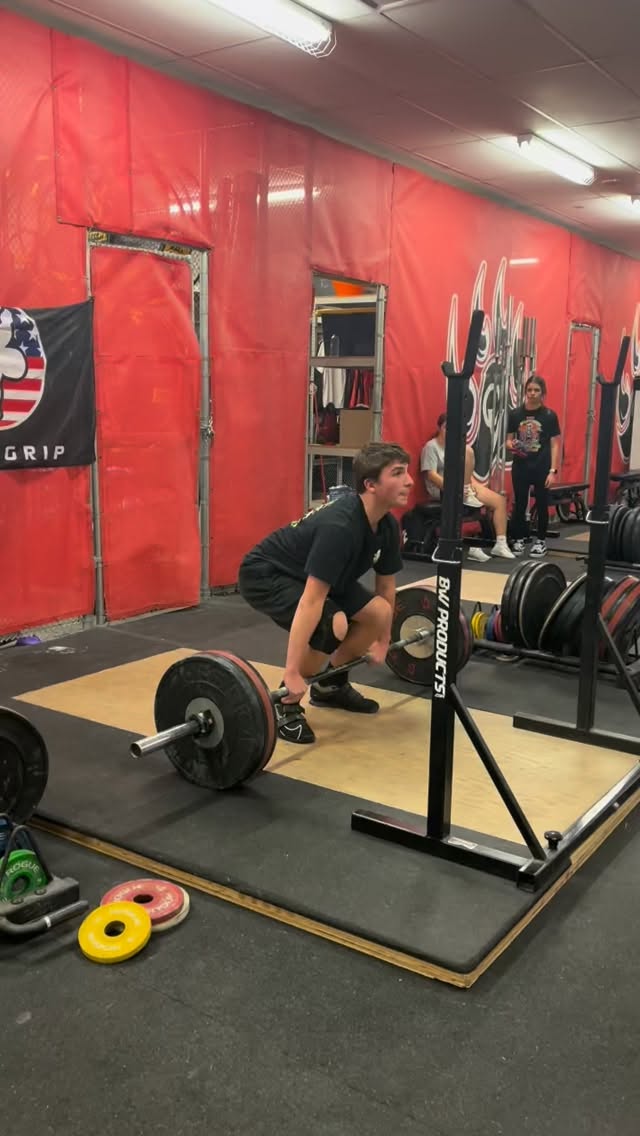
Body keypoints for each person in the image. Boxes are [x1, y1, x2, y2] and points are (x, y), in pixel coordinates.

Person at [238, 442, 411, 745]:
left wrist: (384, 641)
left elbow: (386, 585)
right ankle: (286, 702)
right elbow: (312, 600)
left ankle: (330, 686)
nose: (409, 480)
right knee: (334, 623)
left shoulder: (386, 525)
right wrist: (292, 670)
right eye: (397, 473)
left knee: (380, 613)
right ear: (370, 485)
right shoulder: (341, 527)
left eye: (406, 472)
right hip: (266, 574)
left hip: (317, 577)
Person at [420, 413, 515, 561]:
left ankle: (500, 544)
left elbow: (467, 474)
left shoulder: (457, 447)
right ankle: (472, 546)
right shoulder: (431, 447)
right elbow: (430, 475)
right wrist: (452, 488)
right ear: (439, 428)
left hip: (462, 487)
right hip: (441, 489)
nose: (450, 432)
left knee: (499, 500)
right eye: (446, 428)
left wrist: (476, 486)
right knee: (468, 450)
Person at [506, 376, 561, 558]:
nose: (532, 393)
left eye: (536, 390)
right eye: (529, 390)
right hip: (521, 466)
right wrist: (512, 445)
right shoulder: (515, 414)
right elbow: (508, 440)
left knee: (542, 503)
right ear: (525, 391)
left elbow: (554, 444)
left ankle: (541, 541)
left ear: (542, 393)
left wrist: (553, 471)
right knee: (520, 503)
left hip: (542, 467)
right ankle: (519, 539)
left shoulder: (549, 416)